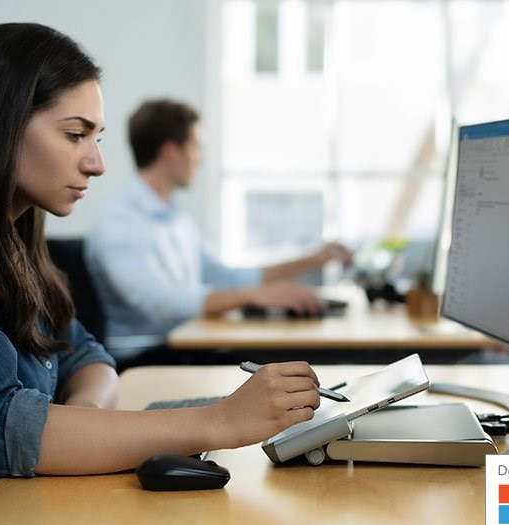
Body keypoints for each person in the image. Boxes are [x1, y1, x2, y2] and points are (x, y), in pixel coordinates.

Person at [0, 22, 321, 525]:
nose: (96, 163)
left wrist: (83, 425)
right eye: (75, 135)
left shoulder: (14, 240)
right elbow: (7, 429)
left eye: (95, 138)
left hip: (26, 510)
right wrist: (216, 423)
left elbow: (85, 353)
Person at [85, 98, 351, 366]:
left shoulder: (176, 219)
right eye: (196, 147)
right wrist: (251, 295)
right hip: (146, 357)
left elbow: (224, 277)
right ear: (170, 151)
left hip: (185, 346)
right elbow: (163, 302)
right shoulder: (119, 222)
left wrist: (311, 261)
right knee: (272, 366)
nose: (200, 160)